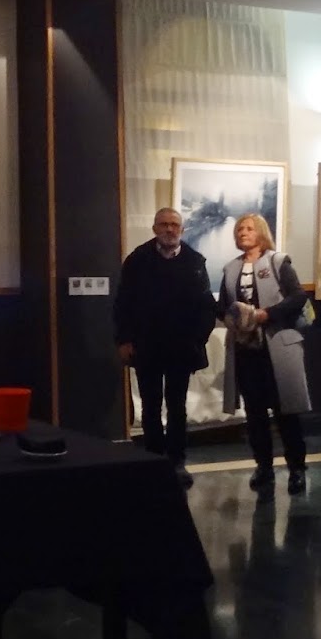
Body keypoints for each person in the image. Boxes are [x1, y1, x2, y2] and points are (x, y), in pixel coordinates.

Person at [114, 207, 218, 487]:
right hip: (146, 346)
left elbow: (206, 307)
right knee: (150, 407)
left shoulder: (195, 261)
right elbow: (123, 303)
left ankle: (177, 461)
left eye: (174, 224)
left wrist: (197, 340)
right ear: (154, 228)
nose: (169, 229)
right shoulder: (137, 260)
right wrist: (124, 340)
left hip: (181, 348)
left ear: (182, 229)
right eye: (163, 224)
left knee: (177, 407)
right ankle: (153, 460)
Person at [218, 213, 310, 496]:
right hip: (246, 350)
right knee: (255, 413)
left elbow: (298, 297)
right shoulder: (230, 269)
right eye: (239, 229)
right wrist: (234, 318)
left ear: (260, 232)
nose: (243, 232)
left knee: (286, 411)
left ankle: (296, 469)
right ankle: (264, 467)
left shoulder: (278, 262)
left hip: (276, 346)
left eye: (248, 228)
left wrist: (266, 314)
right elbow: (223, 305)